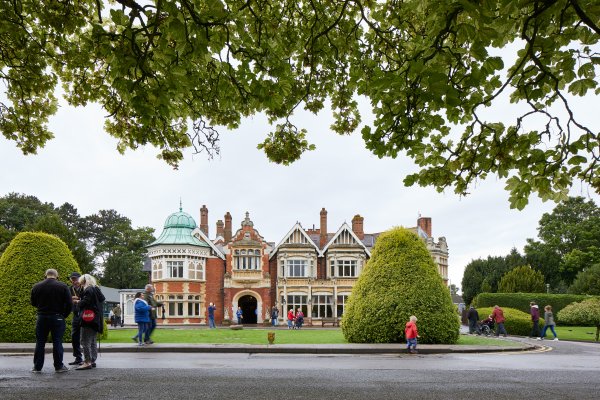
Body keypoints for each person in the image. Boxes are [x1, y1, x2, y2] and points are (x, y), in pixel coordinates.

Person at [30, 268, 72, 373]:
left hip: (42, 316)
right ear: (56, 276)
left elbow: (33, 302)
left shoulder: (36, 286)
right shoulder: (63, 286)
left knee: (40, 342)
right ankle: (58, 366)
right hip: (57, 316)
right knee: (57, 341)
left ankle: (37, 367)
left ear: (46, 275)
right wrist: (63, 315)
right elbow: (69, 303)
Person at [74, 274, 105, 370]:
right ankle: (92, 360)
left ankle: (87, 361)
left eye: (81, 282)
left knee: (84, 340)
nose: (80, 283)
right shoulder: (96, 289)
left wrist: (77, 302)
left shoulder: (88, 290)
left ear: (84, 281)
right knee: (92, 340)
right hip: (95, 319)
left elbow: (85, 303)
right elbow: (98, 300)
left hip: (88, 318)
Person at [68, 271, 83, 366]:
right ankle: (78, 357)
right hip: (76, 314)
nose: (74, 281)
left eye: (76, 279)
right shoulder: (69, 289)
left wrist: (78, 300)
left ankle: (89, 359)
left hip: (85, 314)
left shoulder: (84, 287)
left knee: (86, 337)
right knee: (74, 336)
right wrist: (70, 300)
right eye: (72, 279)